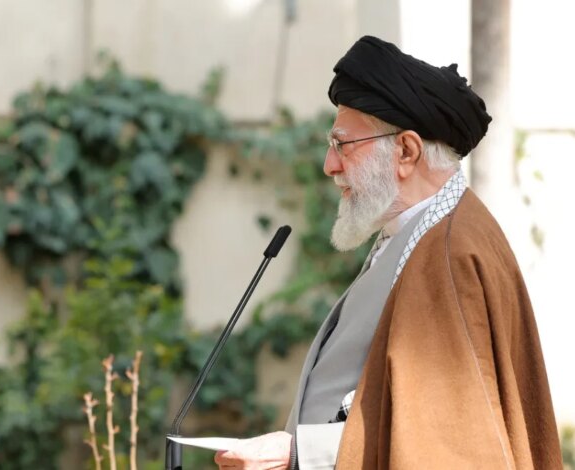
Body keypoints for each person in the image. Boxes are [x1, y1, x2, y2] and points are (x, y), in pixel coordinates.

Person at [214, 36, 561, 470]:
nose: (329, 165)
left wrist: (298, 453)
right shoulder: (422, 229)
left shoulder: (451, 254)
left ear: (406, 151)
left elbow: (447, 443)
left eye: (343, 145)